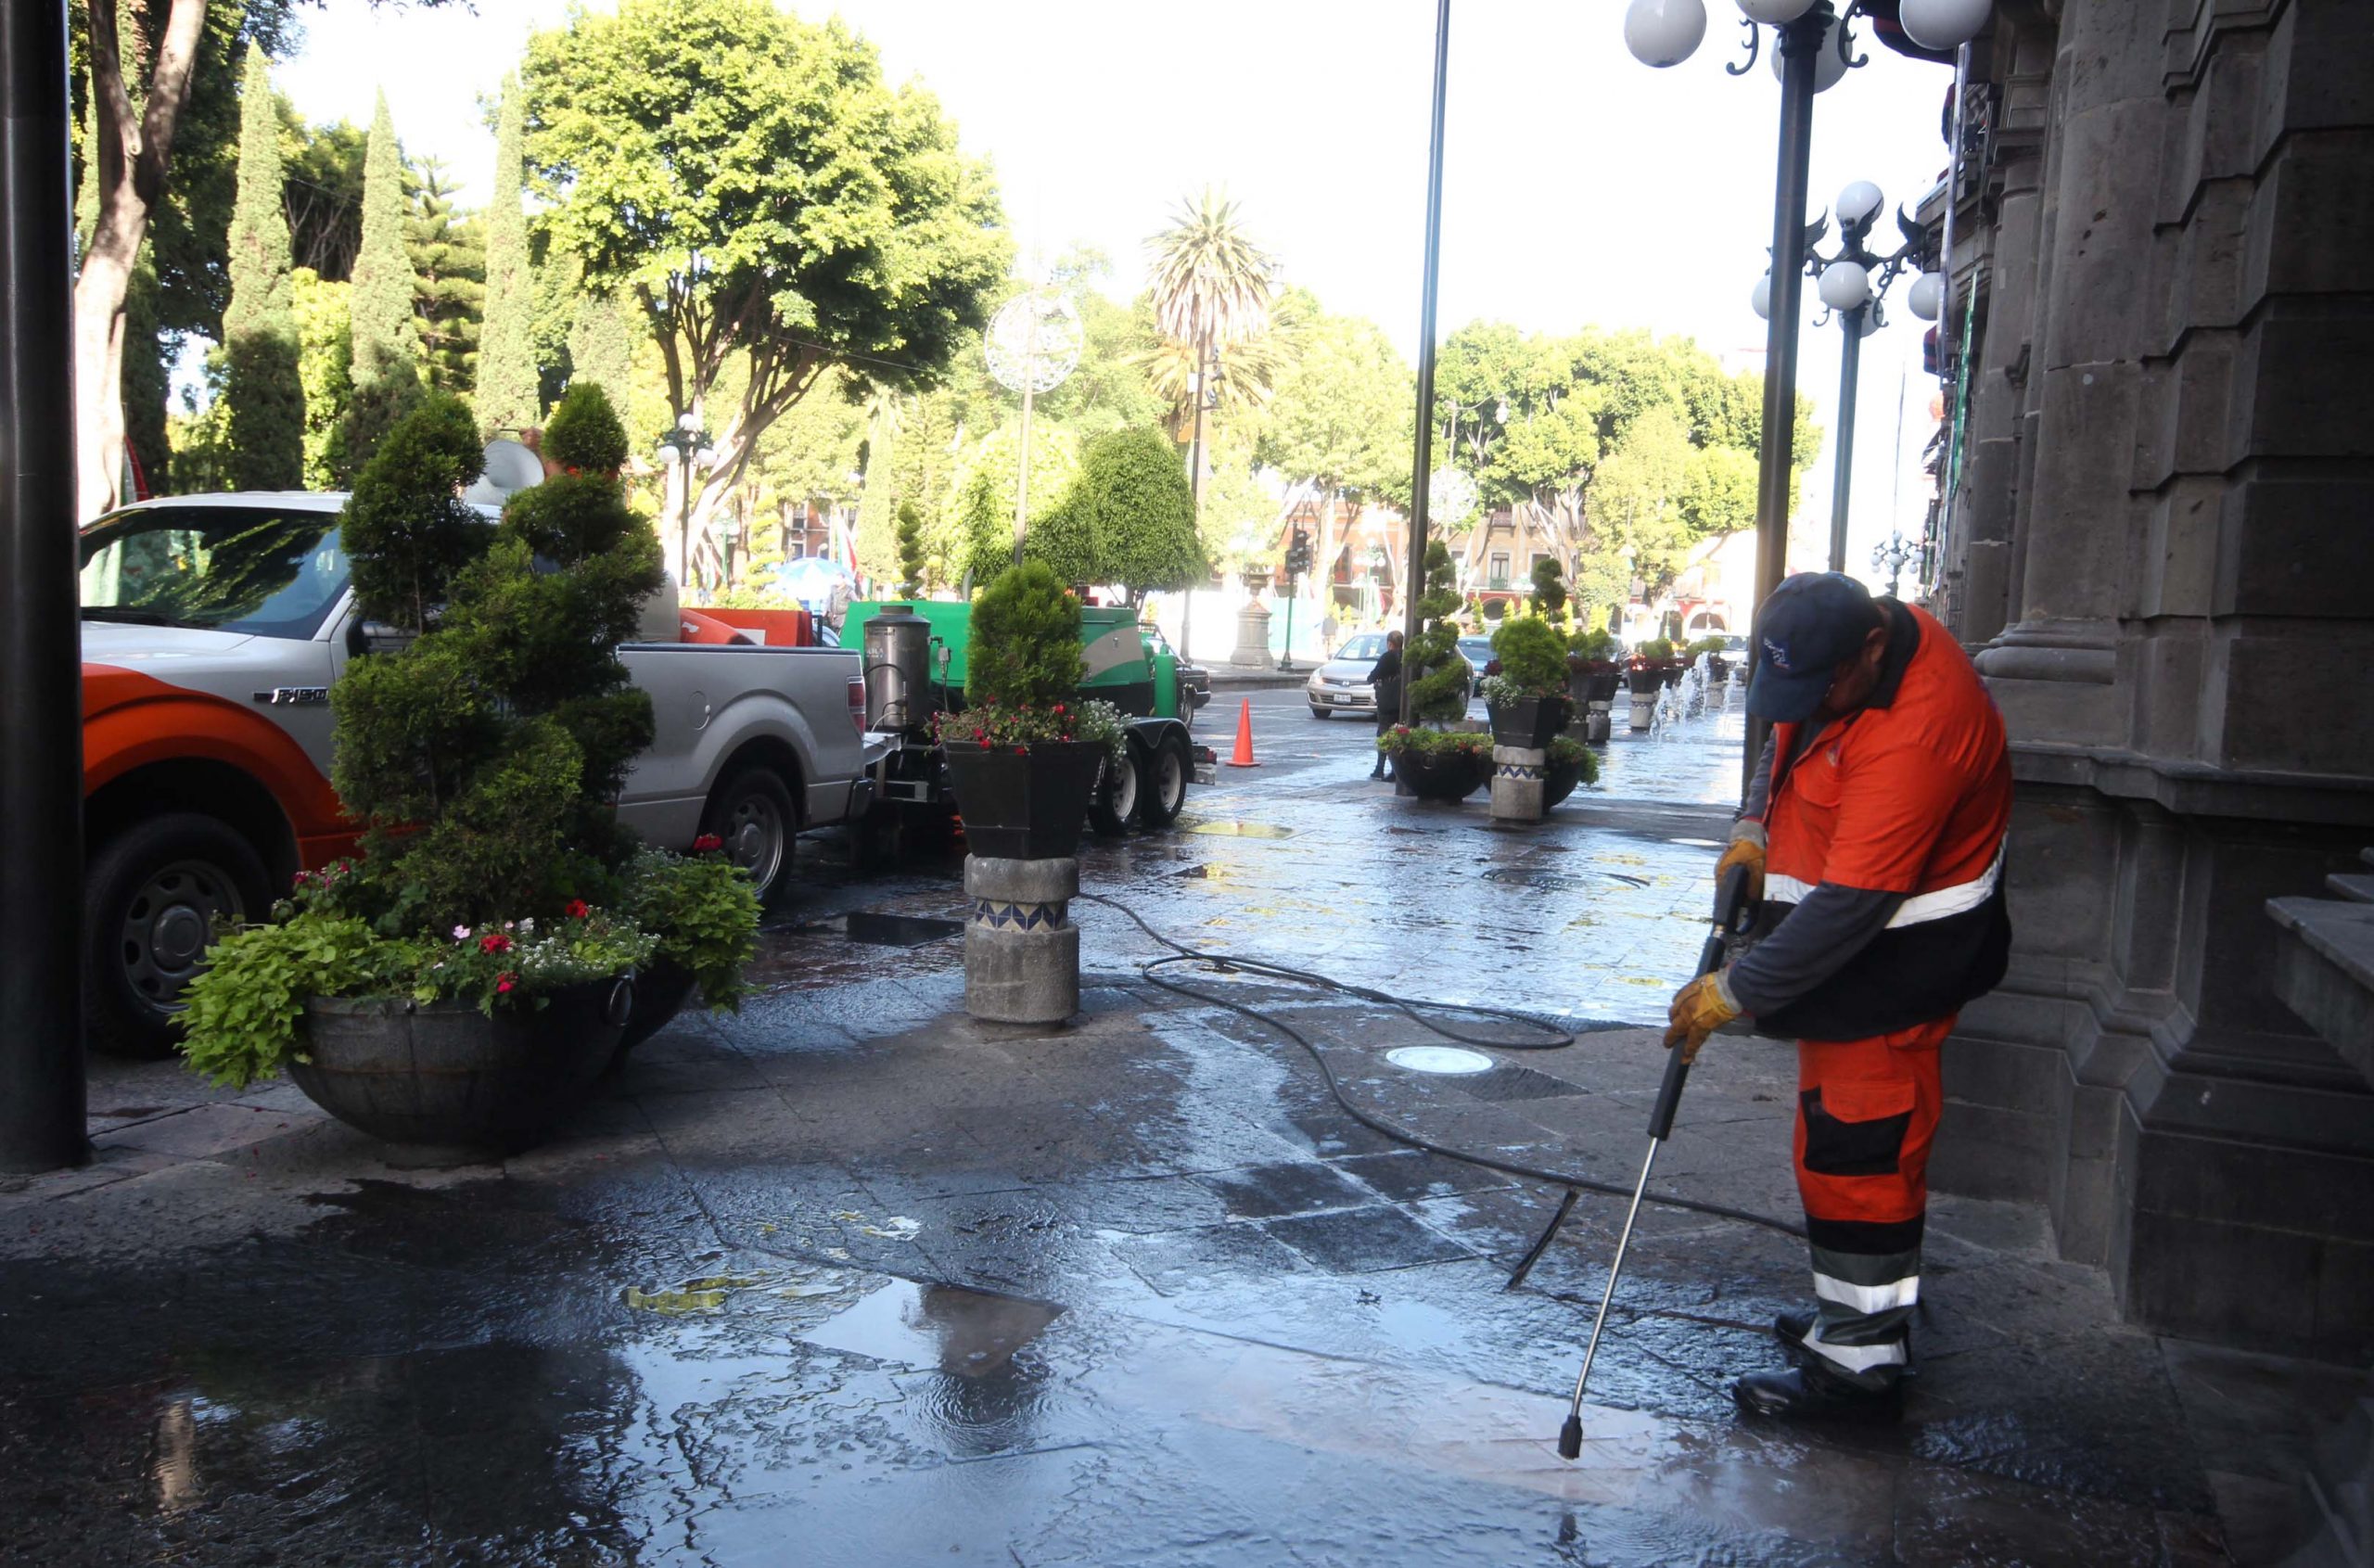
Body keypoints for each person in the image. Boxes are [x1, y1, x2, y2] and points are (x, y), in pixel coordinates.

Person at [1663, 572, 2011, 1424]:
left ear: (1872, 650)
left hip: (1895, 970)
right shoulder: (1835, 656)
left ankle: (1858, 1368)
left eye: (1821, 687)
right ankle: (1856, 1319)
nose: (1805, 700)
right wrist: (1753, 826)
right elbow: (1787, 732)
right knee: (1834, 1146)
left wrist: (1732, 993)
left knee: (1862, 1159)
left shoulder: (1918, 730)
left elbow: (1855, 903)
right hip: (1847, 970)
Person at [1367, 630, 1404, 781]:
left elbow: (1372, 677)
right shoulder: (1406, 657)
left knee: (1383, 734)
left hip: (1387, 702)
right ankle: (1397, 770)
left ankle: (1380, 768)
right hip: (1402, 702)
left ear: (1390, 643)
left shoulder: (1387, 657)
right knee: (1400, 734)